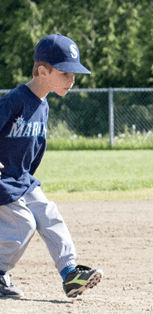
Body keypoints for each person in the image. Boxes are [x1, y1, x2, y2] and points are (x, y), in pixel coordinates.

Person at [0, 34, 103, 299]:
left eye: (74, 74)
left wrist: (26, 178)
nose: (71, 80)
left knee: (48, 213)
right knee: (23, 224)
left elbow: (36, 148)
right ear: (42, 71)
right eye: (65, 73)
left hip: (21, 178)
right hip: (3, 178)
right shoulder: (15, 99)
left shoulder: (43, 104)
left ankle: (70, 273)